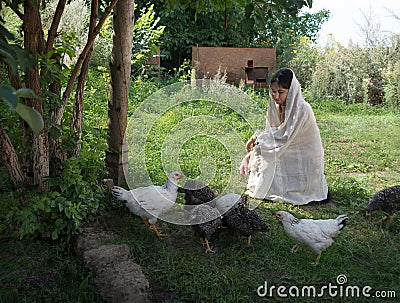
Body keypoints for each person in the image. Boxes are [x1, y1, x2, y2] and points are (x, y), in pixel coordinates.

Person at [239, 68, 330, 205]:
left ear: (291, 91)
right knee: (262, 152)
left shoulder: (302, 109)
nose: (276, 96)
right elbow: (272, 132)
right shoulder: (274, 106)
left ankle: (297, 187)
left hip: (304, 154)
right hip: (286, 147)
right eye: (273, 91)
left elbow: (285, 139)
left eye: (281, 92)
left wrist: (257, 147)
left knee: (264, 151)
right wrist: (257, 141)